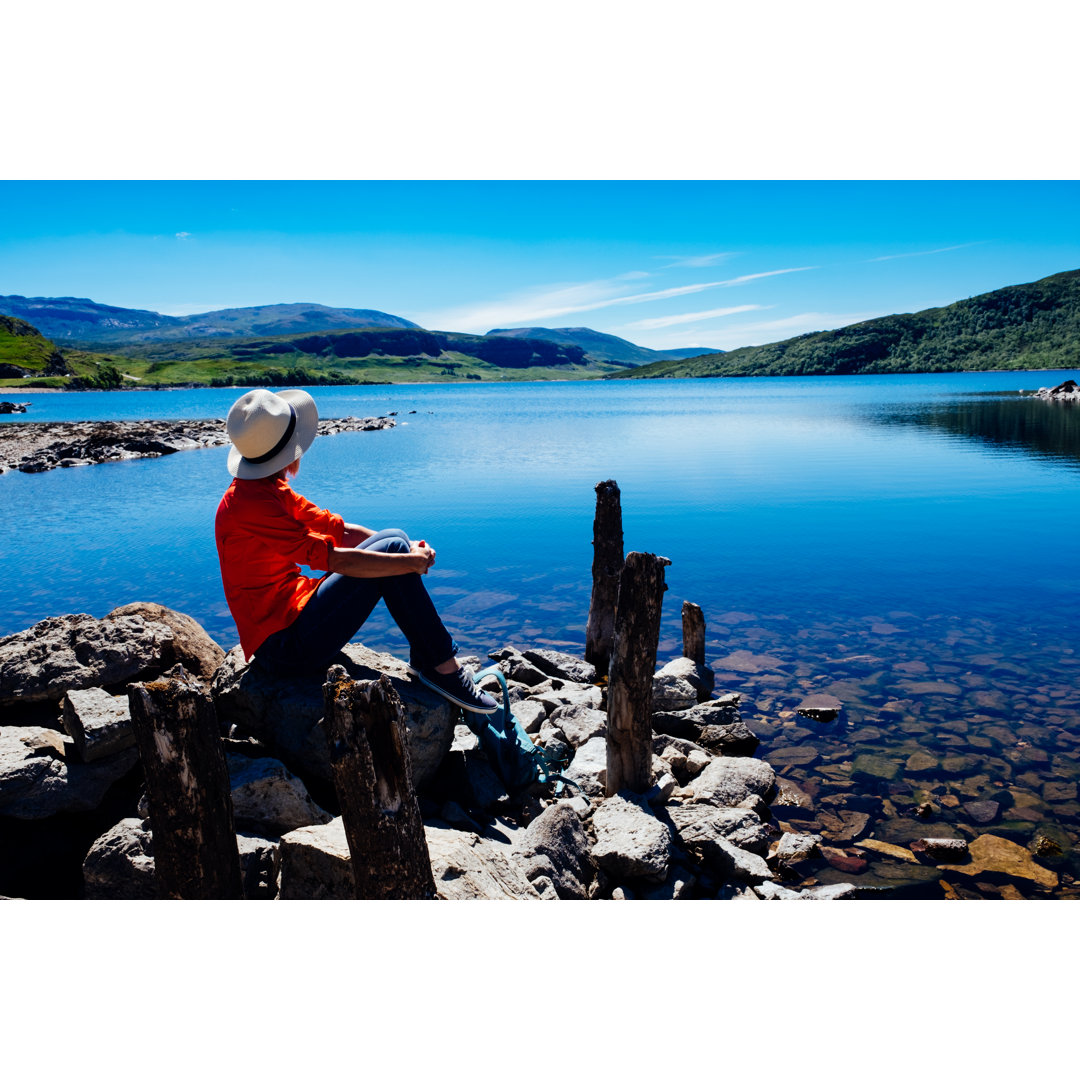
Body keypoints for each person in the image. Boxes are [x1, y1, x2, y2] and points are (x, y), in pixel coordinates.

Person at [214, 387, 497, 714]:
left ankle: (429, 659)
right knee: (392, 549)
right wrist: (404, 561)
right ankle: (440, 667)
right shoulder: (252, 506)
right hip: (284, 649)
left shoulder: (263, 489)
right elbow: (335, 559)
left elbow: (339, 530)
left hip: (292, 621)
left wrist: (407, 551)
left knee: (395, 537)